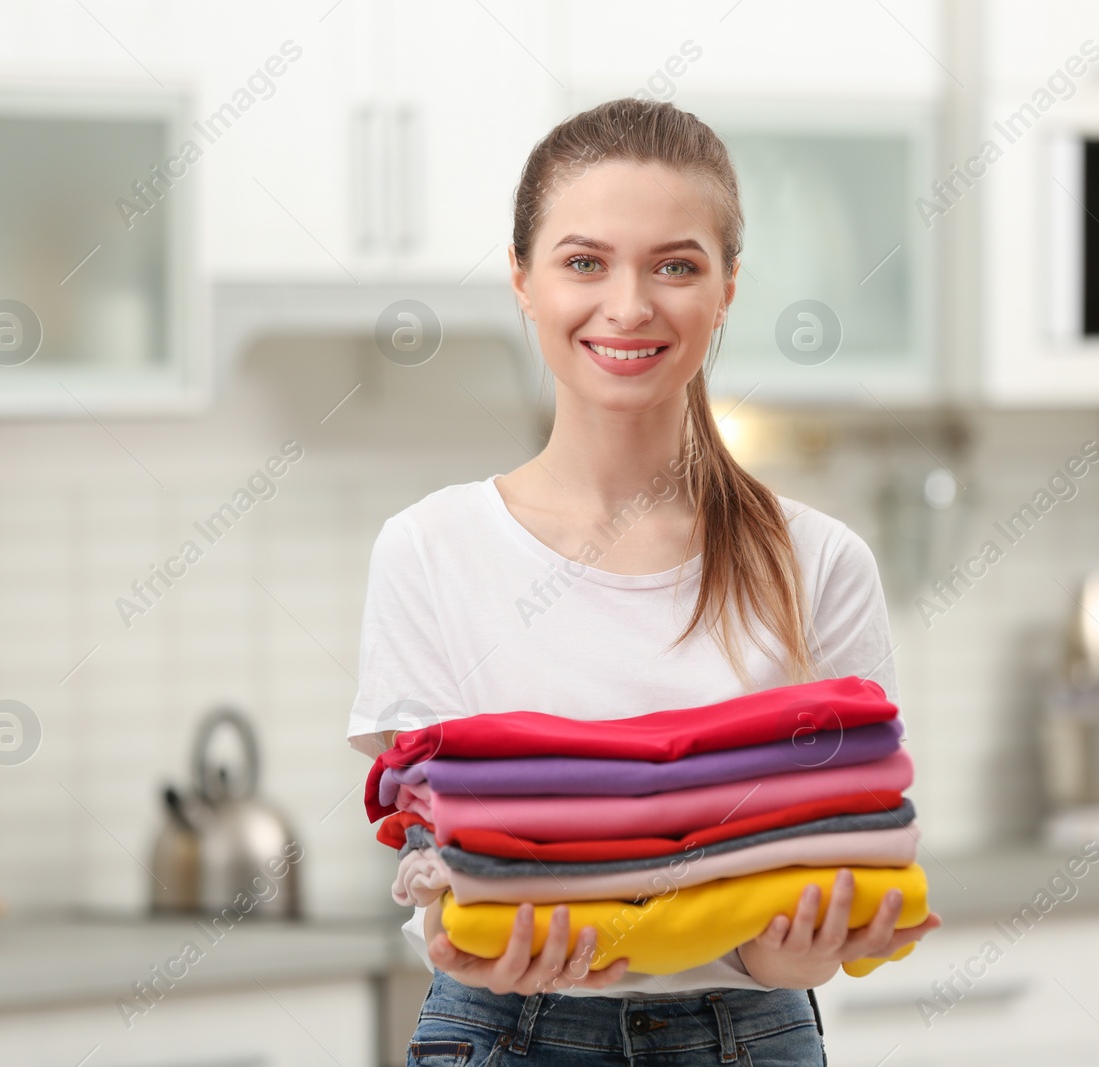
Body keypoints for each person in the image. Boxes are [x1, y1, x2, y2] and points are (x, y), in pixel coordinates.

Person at [347, 96, 940, 1067]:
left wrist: (787, 949)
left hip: (753, 1035)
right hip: (502, 1032)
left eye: (675, 264)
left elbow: (849, 846)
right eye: (584, 261)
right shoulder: (428, 548)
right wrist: (465, 939)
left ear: (728, 287)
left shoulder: (818, 560)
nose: (628, 305)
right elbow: (426, 867)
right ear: (522, 281)